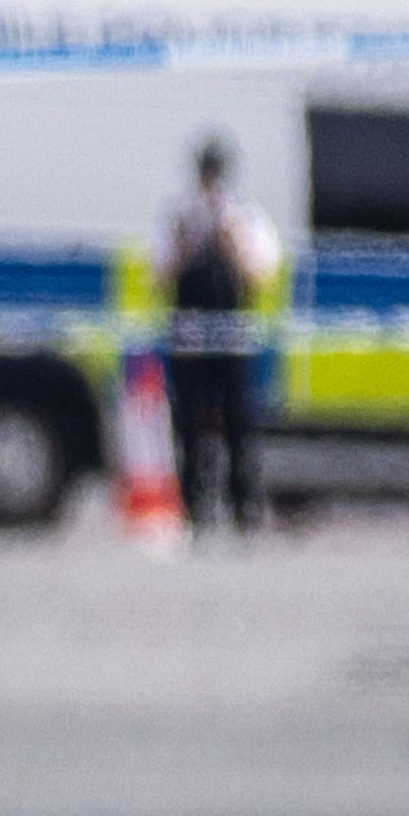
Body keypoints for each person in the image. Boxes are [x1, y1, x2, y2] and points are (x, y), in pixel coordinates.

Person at [159, 134, 282, 535]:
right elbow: (160, 276)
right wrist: (184, 243)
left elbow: (260, 275)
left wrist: (230, 240)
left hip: (232, 335)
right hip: (192, 336)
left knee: (239, 423)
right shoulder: (181, 216)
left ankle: (243, 507)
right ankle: (195, 509)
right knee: (191, 425)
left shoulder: (245, 216)